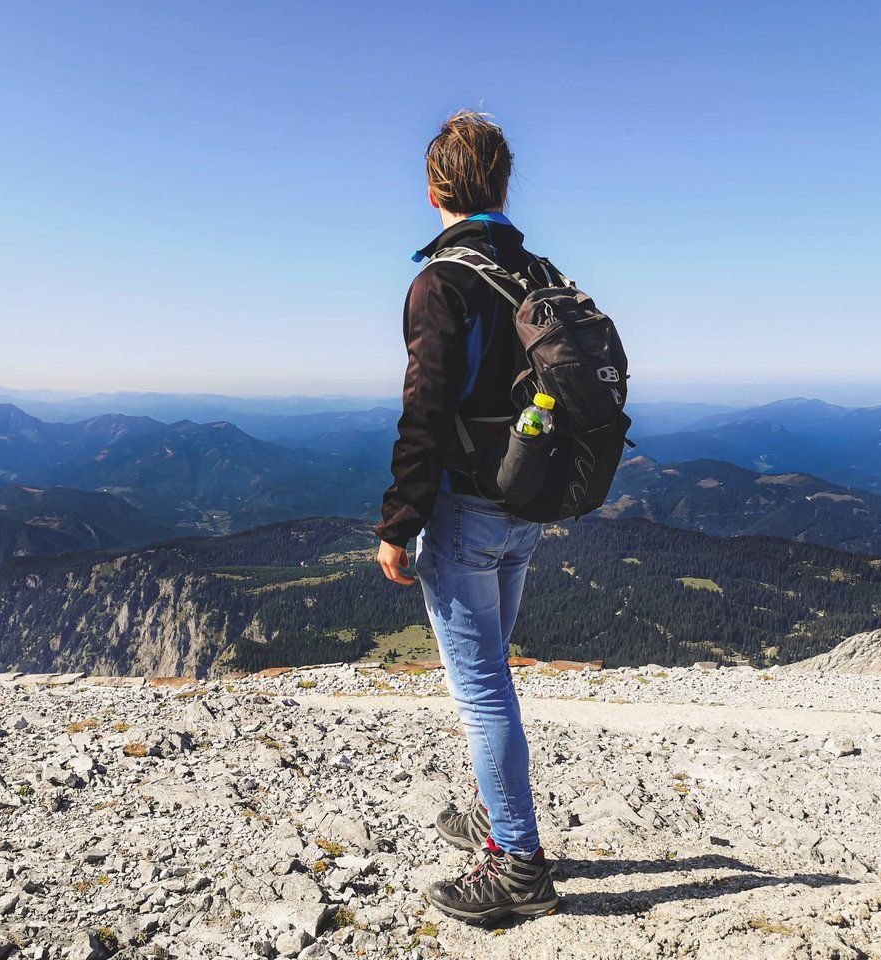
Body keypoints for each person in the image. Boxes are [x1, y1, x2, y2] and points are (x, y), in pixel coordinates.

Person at [374, 110, 560, 924]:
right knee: (495, 674)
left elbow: (425, 411)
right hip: (528, 504)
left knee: (482, 692)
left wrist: (397, 520)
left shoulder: (441, 283)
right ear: (502, 185)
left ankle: (518, 865)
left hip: (467, 513)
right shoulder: (538, 272)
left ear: (434, 189)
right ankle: (497, 812)